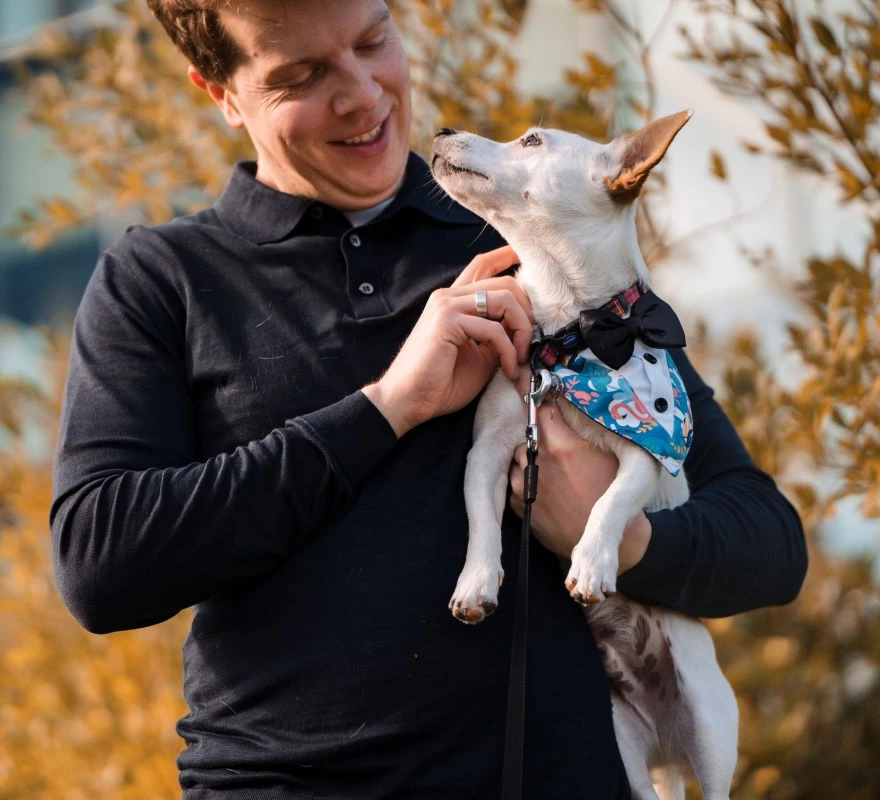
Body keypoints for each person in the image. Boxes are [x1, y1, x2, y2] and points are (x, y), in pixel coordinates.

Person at [49, 1, 807, 797]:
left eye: (374, 41)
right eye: (301, 75)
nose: (362, 94)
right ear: (221, 93)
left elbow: (768, 544)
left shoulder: (532, 243)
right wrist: (388, 406)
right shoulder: (159, 279)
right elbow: (102, 563)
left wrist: (615, 536)